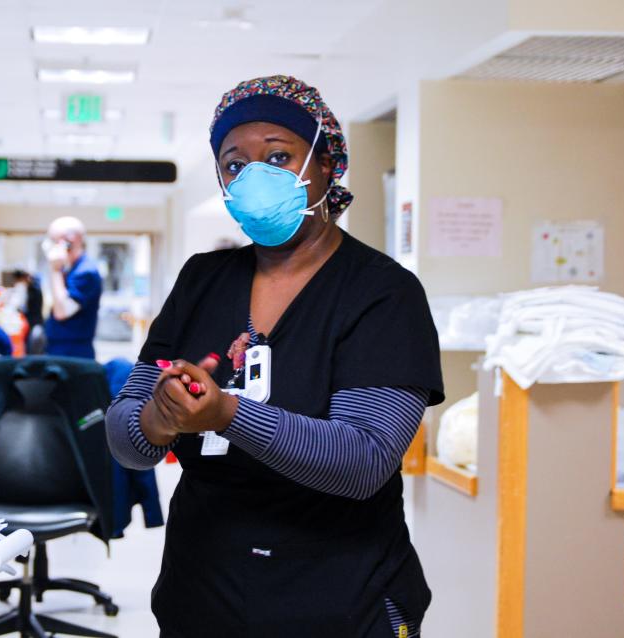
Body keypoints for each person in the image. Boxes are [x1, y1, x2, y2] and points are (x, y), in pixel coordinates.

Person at [106, 75, 444, 637]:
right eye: (235, 164)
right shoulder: (202, 281)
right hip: (203, 588)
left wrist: (228, 416)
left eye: (279, 156)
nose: (253, 177)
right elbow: (127, 444)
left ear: (327, 164)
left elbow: (362, 462)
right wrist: (157, 418)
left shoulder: (382, 293)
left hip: (338, 596)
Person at [43, 216, 103, 359]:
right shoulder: (72, 269)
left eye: (54, 240)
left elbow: (61, 311)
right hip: (61, 349)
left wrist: (55, 270)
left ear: (69, 241)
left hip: (72, 353)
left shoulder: (86, 272)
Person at [12, 268, 45, 354]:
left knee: (32, 346)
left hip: (34, 321)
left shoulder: (34, 289)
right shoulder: (30, 287)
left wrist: (21, 310)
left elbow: (32, 307)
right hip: (30, 321)